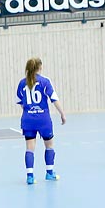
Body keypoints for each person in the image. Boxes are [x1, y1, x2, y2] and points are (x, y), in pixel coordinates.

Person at [18, 57, 67, 185]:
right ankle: (49, 173)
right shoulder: (45, 81)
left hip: (28, 119)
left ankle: (30, 176)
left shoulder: (22, 83)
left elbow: (20, 102)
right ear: (40, 68)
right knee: (49, 145)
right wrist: (62, 113)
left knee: (29, 148)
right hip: (43, 120)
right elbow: (54, 99)